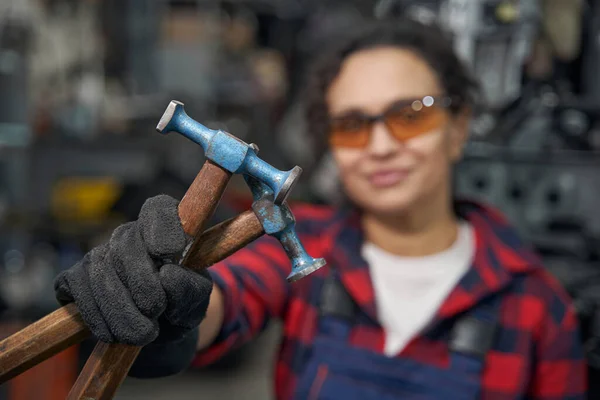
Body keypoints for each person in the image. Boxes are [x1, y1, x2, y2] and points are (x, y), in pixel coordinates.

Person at [54, 18, 588, 399]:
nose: (380, 145)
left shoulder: (539, 305)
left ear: (459, 127)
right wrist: (168, 317)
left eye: (411, 114)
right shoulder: (305, 241)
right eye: (351, 124)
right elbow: (222, 301)